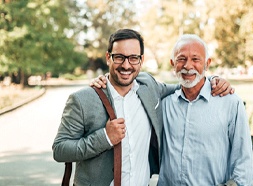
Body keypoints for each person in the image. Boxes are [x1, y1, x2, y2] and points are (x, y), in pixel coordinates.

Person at [52, 29, 233, 186]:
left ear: (141, 60)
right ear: (108, 58)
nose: (126, 65)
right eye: (119, 57)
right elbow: (60, 150)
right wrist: (105, 138)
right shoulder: (82, 99)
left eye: (133, 58)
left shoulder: (149, 87)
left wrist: (213, 80)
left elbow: (186, 82)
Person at [158, 34, 253, 185]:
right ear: (172, 63)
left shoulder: (230, 103)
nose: (188, 66)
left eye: (195, 59)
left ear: (207, 63)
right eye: (181, 59)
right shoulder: (164, 105)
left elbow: (244, 161)